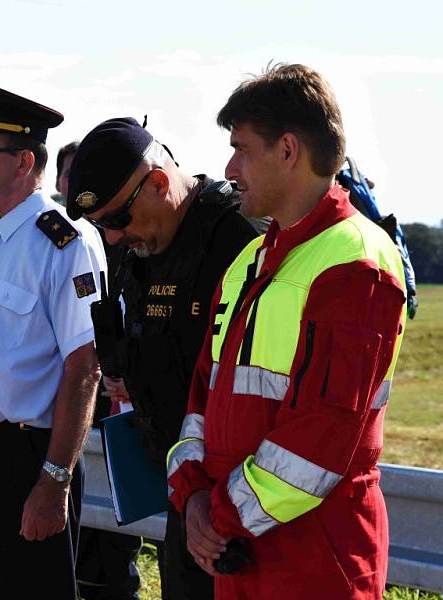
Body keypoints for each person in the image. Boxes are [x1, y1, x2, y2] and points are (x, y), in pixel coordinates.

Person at [167, 63, 406, 599]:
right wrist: (193, 496)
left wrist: (216, 516)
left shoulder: (356, 264)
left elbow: (319, 439)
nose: (229, 168)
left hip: (314, 560)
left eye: (242, 149)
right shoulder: (251, 259)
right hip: (239, 551)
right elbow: (201, 394)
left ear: (289, 150)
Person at [66, 117, 264, 600]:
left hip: (245, 506)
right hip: (185, 492)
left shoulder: (240, 236)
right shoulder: (141, 247)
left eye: (116, 221)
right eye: (101, 227)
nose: (112, 239)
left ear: (158, 183)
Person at [0, 78, 106, 600]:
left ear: (25, 161)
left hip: (24, 460)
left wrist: (54, 481)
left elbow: (85, 368)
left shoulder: (64, 241)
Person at [60, 140, 143, 600]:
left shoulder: (133, 246)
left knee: (110, 564)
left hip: (117, 420)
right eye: (74, 180)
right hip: (66, 425)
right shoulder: (55, 247)